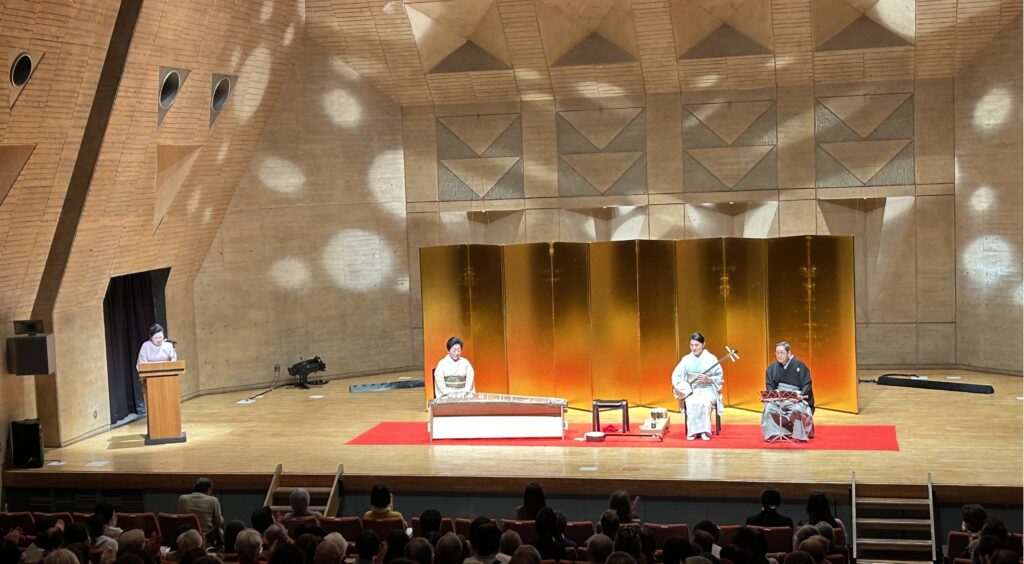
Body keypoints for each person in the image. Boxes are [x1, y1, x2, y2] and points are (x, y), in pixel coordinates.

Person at [671, 332, 724, 440]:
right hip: (692, 389)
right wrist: (681, 385)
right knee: (691, 401)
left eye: (697, 345)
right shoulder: (686, 359)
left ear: (703, 344)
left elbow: (719, 377)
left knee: (704, 402)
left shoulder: (711, 358)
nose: (694, 348)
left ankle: (704, 431)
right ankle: (693, 431)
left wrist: (708, 379)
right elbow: (676, 376)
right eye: (691, 345)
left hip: (708, 389)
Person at [761, 342, 814, 442]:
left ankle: (799, 435)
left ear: (789, 353)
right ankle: (774, 433)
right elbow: (770, 385)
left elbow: (807, 383)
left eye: (782, 352)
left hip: (795, 396)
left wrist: (801, 395)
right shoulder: (772, 367)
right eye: (777, 353)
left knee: (797, 409)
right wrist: (772, 396)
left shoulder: (799, 365)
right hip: (779, 397)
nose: (779, 355)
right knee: (769, 407)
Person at [177, 478, 223, 546]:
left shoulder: (182, 498)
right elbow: (218, 522)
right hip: (206, 536)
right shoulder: (213, 500)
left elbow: (179, 517)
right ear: (209, 489)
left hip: (185, 535)